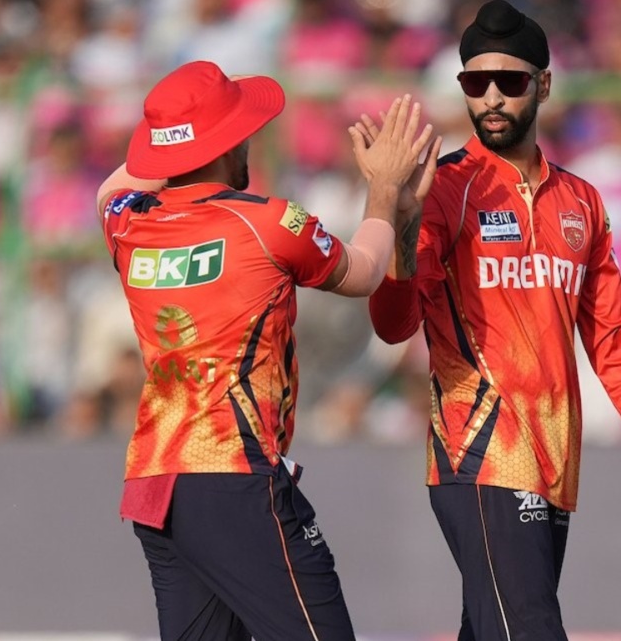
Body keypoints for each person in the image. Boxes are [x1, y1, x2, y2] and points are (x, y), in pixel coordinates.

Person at [362, 0, 621, 640]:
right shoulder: (442, 190)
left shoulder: (582, 201)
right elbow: (393, 325)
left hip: (555, 466)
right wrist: (398, 220)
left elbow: (614, 345)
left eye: (509, 80)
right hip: (480, 456)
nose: (491, 97)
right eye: (476, 82)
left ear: (545, 85)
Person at [95, 60, 438, 640]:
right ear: (227, 141)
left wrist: (172, 140)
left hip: (156, 484)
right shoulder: (270, 222)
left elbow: (112, 187)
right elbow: (363, 272)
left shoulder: (127, 224)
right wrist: (384, 190)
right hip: (235, 476)